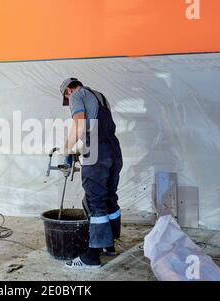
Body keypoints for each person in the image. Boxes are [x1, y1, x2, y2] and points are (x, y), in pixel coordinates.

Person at [59, 78, 123, 269]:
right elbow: (98, 128)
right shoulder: (100, 96)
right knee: (109, 198)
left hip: (97, 151)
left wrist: (67, 150)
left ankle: (91, 257)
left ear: (69, 90)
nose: (68, 100)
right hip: (114, 150)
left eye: (66, 96)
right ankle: (109, 245)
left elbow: (79, 126)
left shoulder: (77, 95)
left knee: (94, 202)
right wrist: (80, 149)